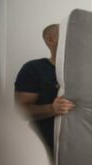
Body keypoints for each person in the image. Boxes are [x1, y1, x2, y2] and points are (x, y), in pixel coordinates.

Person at [14, 24, 74, 156]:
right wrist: (52, 109)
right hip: (43, 150)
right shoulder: (34, 69)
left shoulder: (85, 71)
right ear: (50, 39)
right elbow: (20, 111)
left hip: (79, 151)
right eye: (66, 34)